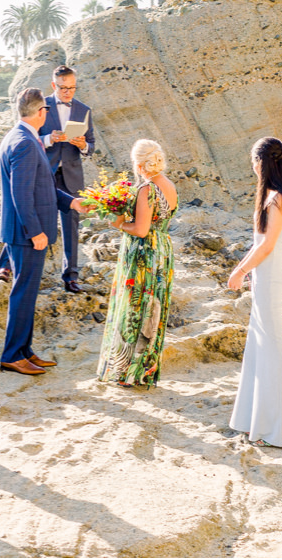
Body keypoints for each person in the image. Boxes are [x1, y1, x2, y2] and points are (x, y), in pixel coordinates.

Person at [0, 88, 90, 375]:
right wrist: (35, 232)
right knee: (23, 293)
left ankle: (24, 351)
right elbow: (21, 193)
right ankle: (12, 355)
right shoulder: (24, 142)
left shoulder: (23, 137)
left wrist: (71, 201)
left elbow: (43, 186)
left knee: (27, 293)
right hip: (26, 235)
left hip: (28, 232)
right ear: (41, 112)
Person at [227, 137, 282, 448]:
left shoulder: (275, 199)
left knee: (273, 350)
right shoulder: (278, 196)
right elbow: (260, 246)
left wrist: (239, 271)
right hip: (268, 276)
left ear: (262, 162)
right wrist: (248, 270)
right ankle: (258, 422)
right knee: (262, 347)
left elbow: (266, 246)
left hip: (271, 277)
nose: (251, 165)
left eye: (253, 159)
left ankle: (278, 428)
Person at [0, 65, 95, 290]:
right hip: (42, 172)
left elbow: (91, 146)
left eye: (72, 88)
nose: (68, 92)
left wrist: (83, 144)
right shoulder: (39, 106)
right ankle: (4, 266)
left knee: (72, 224)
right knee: (27, 216)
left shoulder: (84, 109)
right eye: (63, 87)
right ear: (53, 85)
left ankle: (71, 276)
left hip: (71, 174)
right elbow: (27, 134)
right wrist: (50, 138)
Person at [96, 140, 178, 388]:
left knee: (134, 309)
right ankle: (145, 371)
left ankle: (126, 374)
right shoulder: (169, 185)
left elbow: (141, 229)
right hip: (162, 250)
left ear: (140, 163)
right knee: (153, 310)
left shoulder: (147, 189)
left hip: (144, 254)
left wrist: (118, 223)